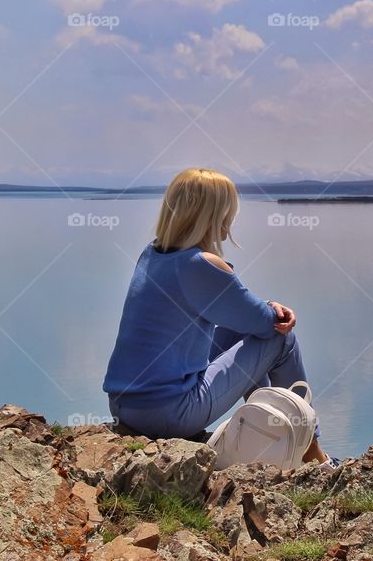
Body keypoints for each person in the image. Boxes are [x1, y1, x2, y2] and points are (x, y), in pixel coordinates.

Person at [103, 168, 330, 464]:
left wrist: (263, 308)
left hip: (124, 405)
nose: (231, 219)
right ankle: (311, 453)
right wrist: (273, 307)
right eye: (228, 211)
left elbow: (240, 314)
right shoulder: (203, 264)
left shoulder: (153, 252)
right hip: (168, 415)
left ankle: (266, 433)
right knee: (279, 337)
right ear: (212, 215)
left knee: (246, 334)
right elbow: (266, 323)